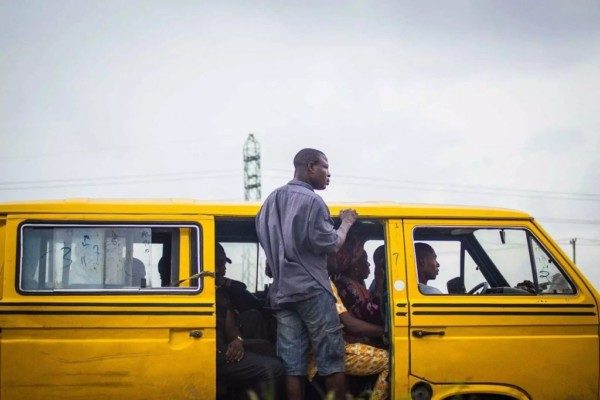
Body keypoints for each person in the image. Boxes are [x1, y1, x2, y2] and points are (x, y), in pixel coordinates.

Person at [255, 148, 358, 400]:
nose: (328, 174)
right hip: (312, 291)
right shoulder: (312, 201)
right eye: (325, 167)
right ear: (310, 166)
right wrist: (346, 222)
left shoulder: (268, 202)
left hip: (282, 294)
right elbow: (332, 244)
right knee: (332, 359)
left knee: (293, 366)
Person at [308, 280, 389, 400]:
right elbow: (349, 324)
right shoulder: (324, 281)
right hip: (327, 354)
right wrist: (386, 330)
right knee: (391, 360)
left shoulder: (308, 279)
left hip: (315, 350)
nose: (343, 260)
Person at [216, 281, 284, 399]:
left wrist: (238, 340)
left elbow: (231, 329)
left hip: (222, 350)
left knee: (267, 348)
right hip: (215, 356)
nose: (223, 269)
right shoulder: (209, 293)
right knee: (275, 369)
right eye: (220, 264)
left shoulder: (220, 292)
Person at [216, 243, 269, 340]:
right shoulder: (216, 285)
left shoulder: (222, 283)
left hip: (231, 323)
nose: (225, 268)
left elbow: (241, 287)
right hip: (226, 328)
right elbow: (240, 288)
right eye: (222, 263)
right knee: (254, 315)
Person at [334, 236, 384, 327]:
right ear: (354, 265)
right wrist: (379, 285)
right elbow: (372, 316)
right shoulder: (347, 286)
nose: (368, 264)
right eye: (365, 260)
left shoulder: (358, 284)